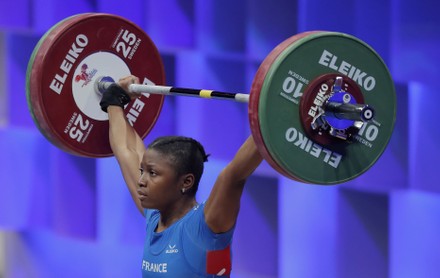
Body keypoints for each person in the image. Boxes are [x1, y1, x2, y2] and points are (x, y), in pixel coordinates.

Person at [99, 75, 263, 277]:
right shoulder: (154, 217)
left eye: (153, 173)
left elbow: (234, 175)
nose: (141, 181)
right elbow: (127, 150)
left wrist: (271, 115)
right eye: (143, 171)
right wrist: (115, 99)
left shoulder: (207, 225)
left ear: (186, 182)